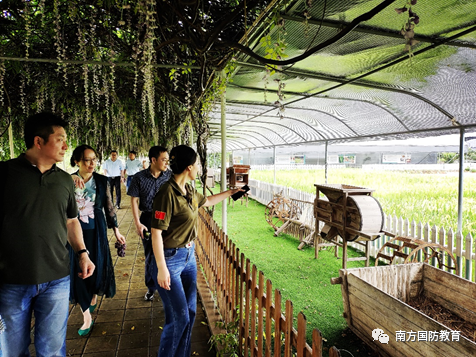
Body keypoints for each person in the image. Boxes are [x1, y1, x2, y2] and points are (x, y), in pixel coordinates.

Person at [0, 112, 95, 356]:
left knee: (52, 351)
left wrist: (83, 253)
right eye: (60, 139)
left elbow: (71, 221)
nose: (66, 146)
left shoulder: (64, 180)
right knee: (11, 351)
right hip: (11, 282)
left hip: (57, 279)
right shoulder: (5, 174)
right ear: (38, 141)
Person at [151, 145, 243, 357]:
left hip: (188, 258)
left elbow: (207, 201)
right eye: (199, 165)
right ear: (189, 167)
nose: (200, 169)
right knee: (178, 318)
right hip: (170, 260)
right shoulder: (166, 193)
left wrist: (230, 193)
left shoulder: (189, 190)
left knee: (190, 313)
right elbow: (156, 233)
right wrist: (162, 268)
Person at [70, 144, 126, 336]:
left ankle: (93, 294)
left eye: (94, 159)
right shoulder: (68, 180)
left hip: (97, 230)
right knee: (78, 271)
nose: (92, 163)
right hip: (75, 234)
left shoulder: (102, 181)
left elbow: (109, 207)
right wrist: (70, 178)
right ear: (77, 161)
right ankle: (86, 316)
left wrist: (117, 231)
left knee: (97, 267)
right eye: (88, 159)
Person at [127, 146, 172, 301]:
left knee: (168, 252)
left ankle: (167, 285)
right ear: (153, 160)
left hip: (167, 220)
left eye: (167, 159)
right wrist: (138, 223)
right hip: (147, 219)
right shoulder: (139, 177)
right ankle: (151, 287)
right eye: (164, 159)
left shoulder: (170, 176)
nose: (166, 163)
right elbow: (133, 200)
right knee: (150, 254)